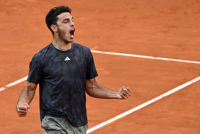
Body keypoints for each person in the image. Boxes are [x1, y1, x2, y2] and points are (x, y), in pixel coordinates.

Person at [16, 6, 131, 134]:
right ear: (54, 28)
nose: (72, 24)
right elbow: (30, 89)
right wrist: (22, 103)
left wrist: (116, 94)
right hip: (53, 121)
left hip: (79, 123)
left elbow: (92, 87)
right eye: (66, 21)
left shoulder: (84, 53)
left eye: (72, 20)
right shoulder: (42, 58)